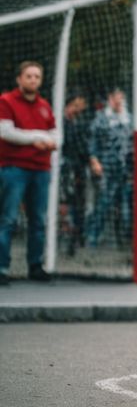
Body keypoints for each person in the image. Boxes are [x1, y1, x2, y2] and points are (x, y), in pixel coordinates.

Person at [0, 61, 58, 285]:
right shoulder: (6, 101)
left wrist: (51, 142)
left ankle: (35, 265)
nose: (33, 80)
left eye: (37, 76)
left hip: (40, 169)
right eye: (29, 76)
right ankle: (2, 267)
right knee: (8, 219)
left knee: (39, 220)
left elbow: (54, 132)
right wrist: (37, 138)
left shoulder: (44, 105)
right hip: (14, 168)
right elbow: (6, 131)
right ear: (19, 79)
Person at [85, 88, 134, 247]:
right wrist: (94, 161)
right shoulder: (101, 119)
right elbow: (92, 142)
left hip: (124, 169)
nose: (119, 102)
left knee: (124, 206)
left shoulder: (128, 119)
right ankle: (92, 236)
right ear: (110, 98)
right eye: (116, 98)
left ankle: (122, 240)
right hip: (106, 167)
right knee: (103, 203)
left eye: (121, 98)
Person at [60, 91, 89, 254]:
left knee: (79, 204)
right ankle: (65, 233)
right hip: (65, 170)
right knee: (65, 203)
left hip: (77, 170)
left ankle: (76, 236)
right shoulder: (61, 123)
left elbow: (83, 147)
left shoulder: (79, 123)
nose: (80, 109)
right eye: (76, 105)